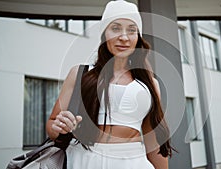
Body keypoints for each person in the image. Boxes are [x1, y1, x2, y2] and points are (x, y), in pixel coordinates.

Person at [46, 0, 173, 168]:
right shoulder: (80, 74)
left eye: (132, 30)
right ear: (104, 34)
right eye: (115, 28)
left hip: (132, 162)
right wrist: (59, 127)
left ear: (138, 37)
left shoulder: (149, 84)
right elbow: (53, 124)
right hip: (83, 159)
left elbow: (152, 141)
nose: (124, 37)